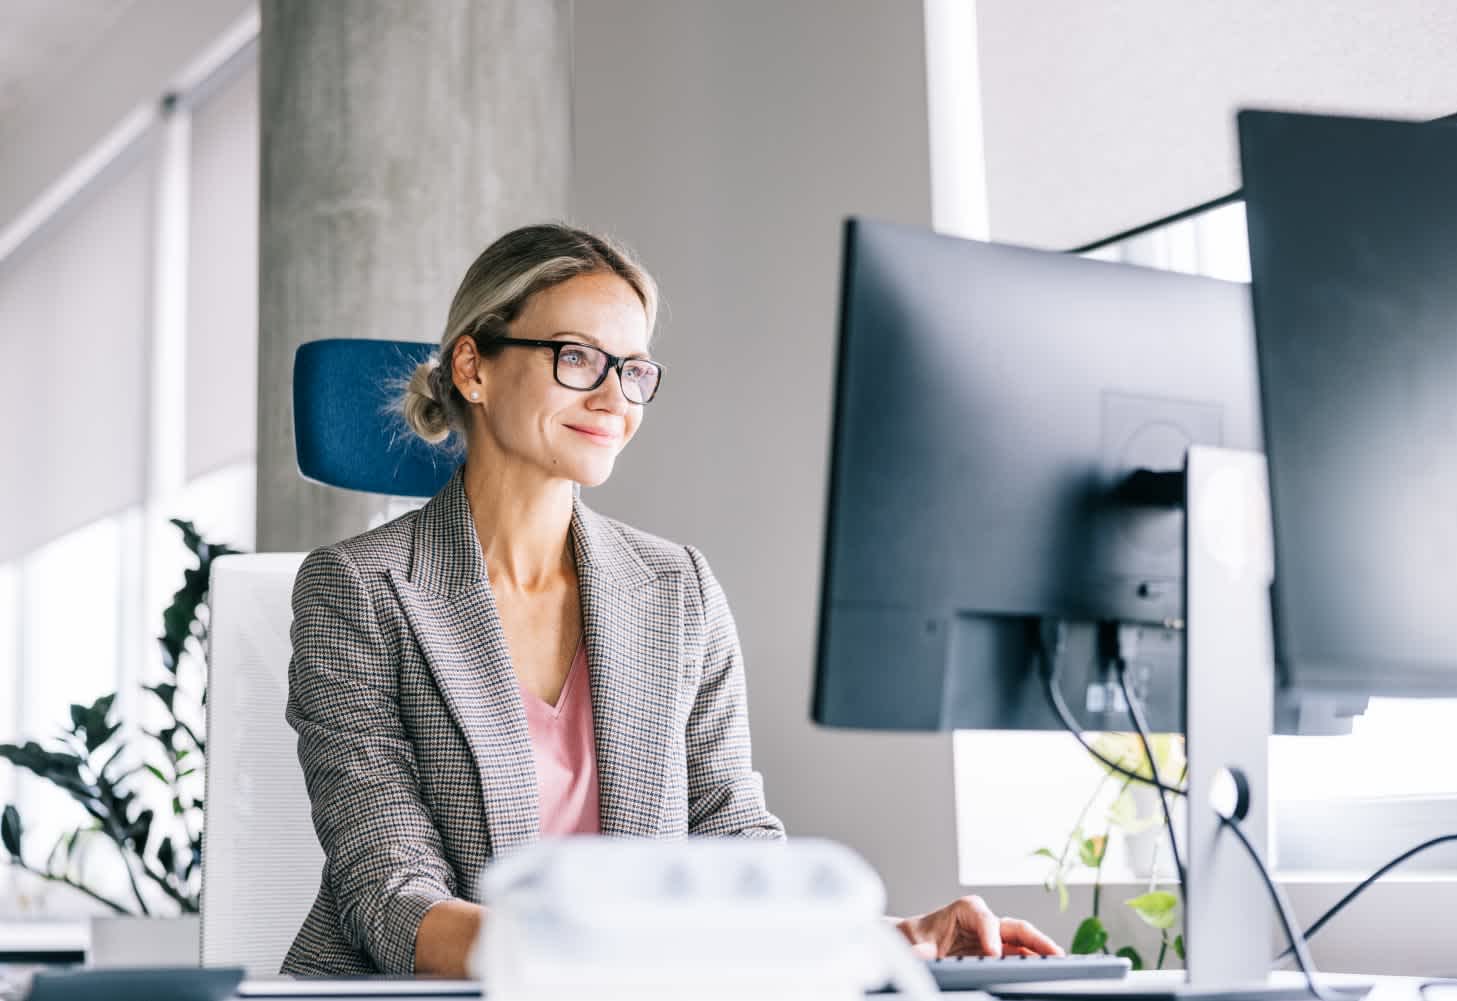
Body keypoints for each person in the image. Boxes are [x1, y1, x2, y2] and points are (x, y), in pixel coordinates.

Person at [281, 223, 1062, 976]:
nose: (614, 397)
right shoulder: (358, 590)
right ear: (473, 368)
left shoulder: (677, 588)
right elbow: (389, 891)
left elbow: (732, 849)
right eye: (577, 357)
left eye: (634, 370)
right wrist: (613, 958)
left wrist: (897, 937)